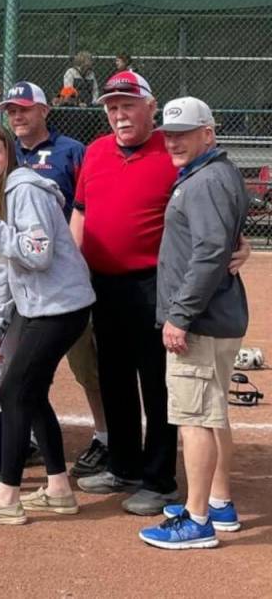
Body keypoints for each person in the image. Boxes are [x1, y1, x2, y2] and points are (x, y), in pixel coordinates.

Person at [72, 71, 251, 516]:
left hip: (156, 284)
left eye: (128, 105)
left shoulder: (175, 152)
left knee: (159, 384)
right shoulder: (95, 152)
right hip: (104, 284)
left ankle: (159, 479)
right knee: (113, 377)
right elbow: (81, 212)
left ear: (151, 108)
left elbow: (213, 212)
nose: (119, 115)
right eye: (112, 107)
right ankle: (124, 466)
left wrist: (238, 240)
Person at [0, 122, 95, 525]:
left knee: (14, 390)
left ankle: (7, 498)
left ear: (10, 154)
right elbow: (4, 271)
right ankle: (58, 489)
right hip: (43, 308)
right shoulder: (0, 194)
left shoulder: (24, 189)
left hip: (60, 308)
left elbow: (37, 254)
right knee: (29, 394)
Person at [139, 97, 250, 550]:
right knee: (212, 411)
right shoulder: (215, 174)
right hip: (217, 315)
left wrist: (179, 316)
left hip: (201, 321)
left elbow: (209, 253)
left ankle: (198, 518)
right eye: (168, 134)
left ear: (209, 132)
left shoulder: (205, 181)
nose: (174, 141)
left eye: (184, 133)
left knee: (194, 419)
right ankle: (219, 502)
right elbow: (222, 244)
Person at [0, 81, 107, 477]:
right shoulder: (4, 153)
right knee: (25, 370)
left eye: (24, 109)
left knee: (85, 365)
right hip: (23, 281)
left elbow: (88, 206)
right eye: (11, 110)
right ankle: (26, 440)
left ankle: (103, 437)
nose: (17, 116)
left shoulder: (71, 151)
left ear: (45, 111)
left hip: (62, 280)